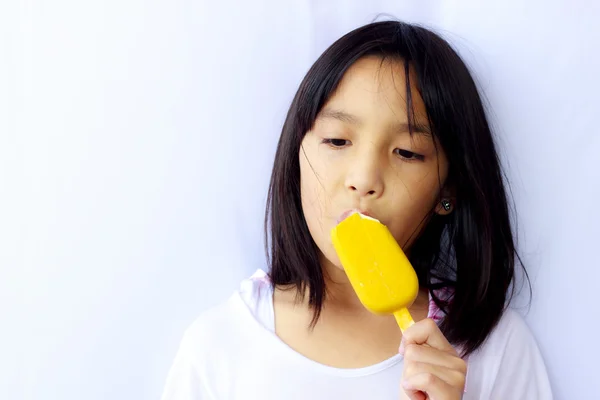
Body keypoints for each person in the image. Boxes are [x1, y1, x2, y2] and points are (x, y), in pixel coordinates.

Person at [160, 20, 552, 399]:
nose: (364, 178)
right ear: (296, 156)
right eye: (336, 141)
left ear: (446, 193)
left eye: (407, 152)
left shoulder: (494, 348)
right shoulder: (220, 346)